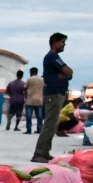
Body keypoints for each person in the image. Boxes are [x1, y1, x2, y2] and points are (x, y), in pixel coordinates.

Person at [32, 33, 72, 162]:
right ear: (54, 43)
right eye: (62, 42)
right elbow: (69, 72)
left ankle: (45, 152)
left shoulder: (54, 58)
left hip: (56, 93)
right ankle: (39, 153)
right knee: (50, 124)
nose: (64, 44)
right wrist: (63, 76)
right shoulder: (53, 57)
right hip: (53, 94)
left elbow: (68, 73)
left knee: (53, 123)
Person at [24, 67, 45, 135]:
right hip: (39, 100)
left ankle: (29, 130)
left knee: (29, 116)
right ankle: (39, 129)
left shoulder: (29, 79)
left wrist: (25, 97)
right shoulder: (42, 79)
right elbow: (44, 88)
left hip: (30, 100)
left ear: (31, 72)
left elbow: (25, 88)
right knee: (39, 116)